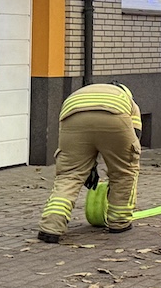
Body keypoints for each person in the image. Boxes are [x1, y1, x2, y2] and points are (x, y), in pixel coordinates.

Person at [37, 82, 142, 243]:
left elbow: (76, 139)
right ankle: (119, 222)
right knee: (124, 173)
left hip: (72, 115)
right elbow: (134, 136)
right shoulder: (128, 100)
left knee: (69, 176)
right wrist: (118, 159)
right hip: (115, 115)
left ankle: (51, 227)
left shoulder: (81, 93)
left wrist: (88, 164)